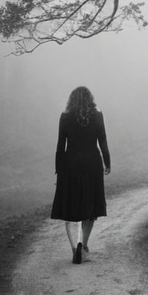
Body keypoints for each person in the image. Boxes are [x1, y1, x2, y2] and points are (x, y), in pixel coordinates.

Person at [50, 86, 111, 264]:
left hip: (70, 165)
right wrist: (107, 162)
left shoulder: (65, 116)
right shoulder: (97, 115)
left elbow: (60, 145)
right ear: (90, 99)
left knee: (71, 207)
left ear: (72, 100)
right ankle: (83, 246)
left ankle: (74, 247)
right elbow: (103, 140)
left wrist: (58, 169)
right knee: (89, 206)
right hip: (92, 164)